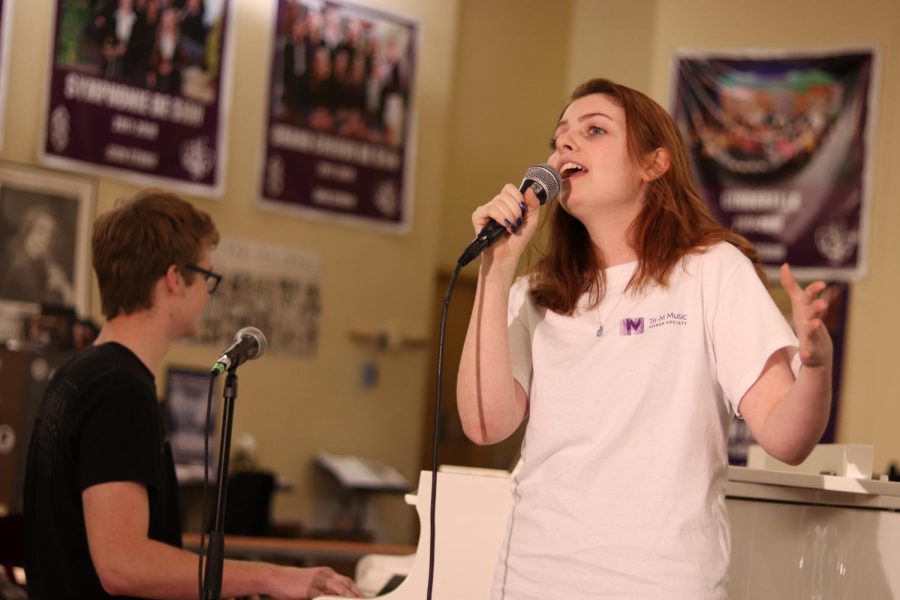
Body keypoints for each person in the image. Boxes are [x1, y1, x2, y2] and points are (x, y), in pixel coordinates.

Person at [456, 79, 832, 599]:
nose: (565, 144)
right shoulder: (536, 292)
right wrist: (496, 270)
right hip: (531, 579)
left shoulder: (712, 272)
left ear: (654, 164)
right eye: (560, 135)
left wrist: (814, 368)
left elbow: (787, 439)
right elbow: (483, 423)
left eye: (594, 130)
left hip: (662, 584)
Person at [23, 189, 361, 599]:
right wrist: (271, 577)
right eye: (207, 277)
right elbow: (122, 565)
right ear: (174, 279)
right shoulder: (119, 392)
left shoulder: (79, 372)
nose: (207, 294)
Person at [0, 205, 75, 306]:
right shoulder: (18, 265)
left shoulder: (41, 256)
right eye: (41, 230)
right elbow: (36, 305)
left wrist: (62, 284)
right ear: (28, 230)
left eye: (50, 233)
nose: (47, 238)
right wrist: (59, 290)